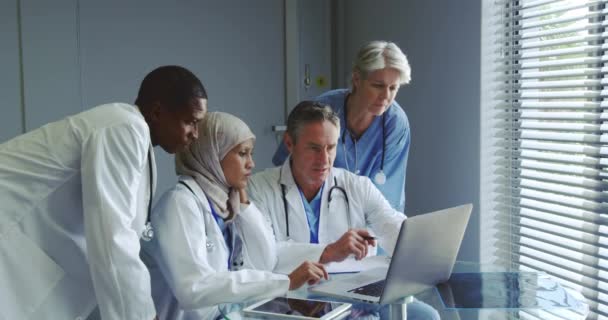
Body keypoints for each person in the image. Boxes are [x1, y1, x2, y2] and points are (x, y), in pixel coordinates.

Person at [0, 65, 207, 320]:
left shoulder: (138, 143)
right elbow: (114, 239)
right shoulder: (122, 127)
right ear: (157, 112)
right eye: (190, 122)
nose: (195, 135)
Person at [248, 101, 439, 320]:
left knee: (425, 316)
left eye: (331, 147)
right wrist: (328, 252)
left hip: (353, 294)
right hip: (294, 299)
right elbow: (264, 255)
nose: (324, 160)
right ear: (290, 143)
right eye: (314, 148)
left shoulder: (356, 186)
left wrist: (422, 245)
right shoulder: (258, 188)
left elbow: (392, 226)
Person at [143, 112, 328, 319]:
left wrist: (244, 204)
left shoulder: (225, 204)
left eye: (251, 154)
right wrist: (285, 282)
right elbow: (194, 289)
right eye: (242, 153)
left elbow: (265, 260)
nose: (251, 164)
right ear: (212, 155)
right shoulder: (179, 204)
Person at [273, 40, 411, 212]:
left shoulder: (395, 123)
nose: (386, 96)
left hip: (369, 220)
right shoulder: (322, 110)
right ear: (357, 79)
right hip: (314, 213)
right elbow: (285, 167)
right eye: (378, 86)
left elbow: (389, 196)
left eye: (393, 88)